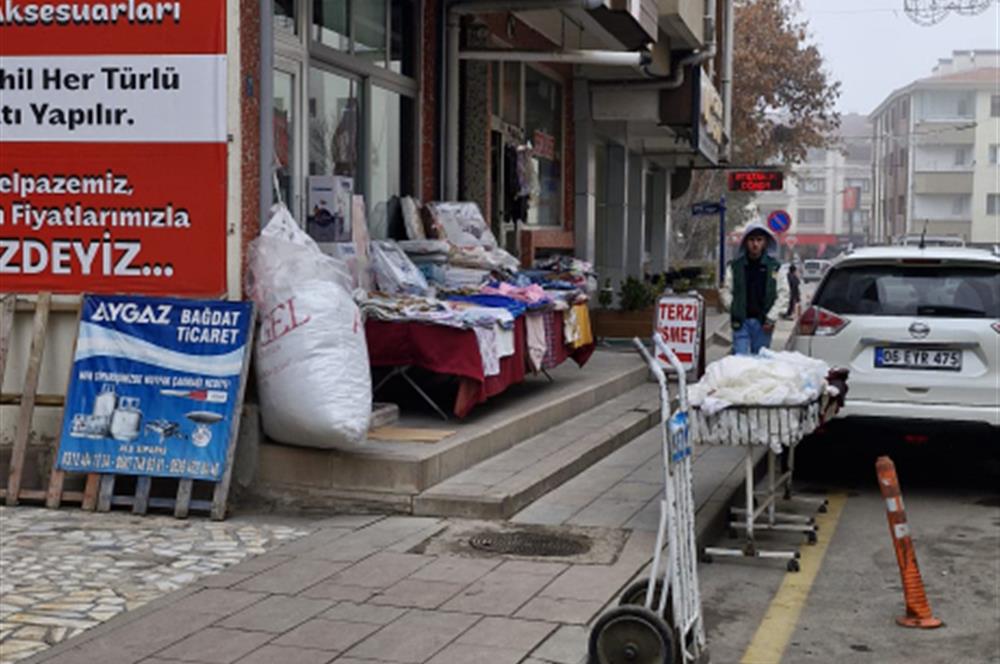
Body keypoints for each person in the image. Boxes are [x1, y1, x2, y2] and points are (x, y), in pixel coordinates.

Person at [719, 223, 789, 355]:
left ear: (765, 243)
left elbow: (783, 294)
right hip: (741, 322)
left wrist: (772, 317)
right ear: (745, 242)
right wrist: (734, 308)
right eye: (751, 240)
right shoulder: (735, 267)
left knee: (760, 361)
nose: (755, 244)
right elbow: (726, 290)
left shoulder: (774, 267)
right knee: (740, 359)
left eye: (759, 240)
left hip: (764, 323)